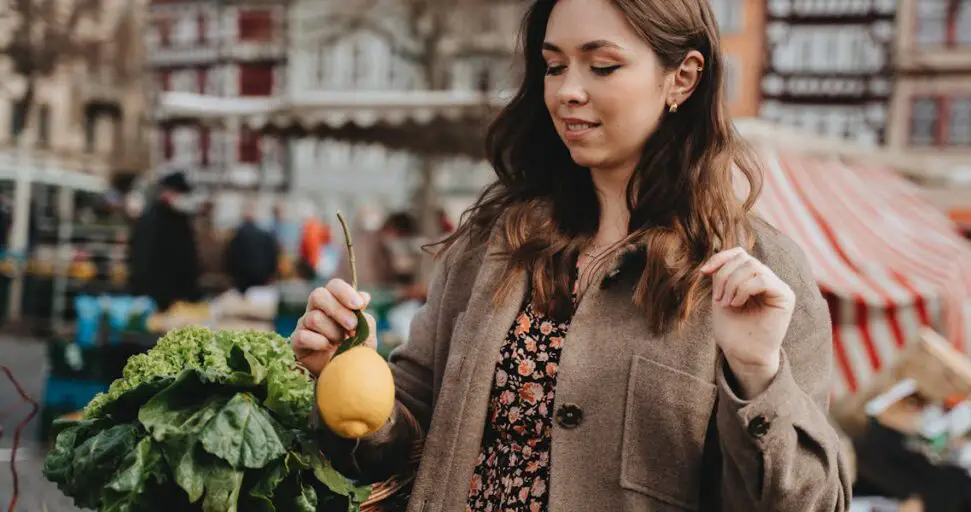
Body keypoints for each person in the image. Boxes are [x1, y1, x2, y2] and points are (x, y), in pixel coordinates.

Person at [291, 1, 851, 510]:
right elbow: (401, 438)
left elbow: (809, 503)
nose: (566, 91)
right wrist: (346, 374)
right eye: (555, 66)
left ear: (682, 76)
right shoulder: (496, 242)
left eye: (601, 66)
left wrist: (758, 376)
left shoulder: (756, 272)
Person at [128, 170, 201, 311]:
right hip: (158, 299)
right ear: (167, 193)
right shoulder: (152, 220)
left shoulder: (182, 219)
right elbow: (142, 260)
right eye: (181, 193)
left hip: (180, 299)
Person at [224, 205, 280, 294]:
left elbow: (229, 258)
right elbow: (274, 255)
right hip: (262, 278)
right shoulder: (265, 235)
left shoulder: (236, 237)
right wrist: (271, 274)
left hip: (242, 280)